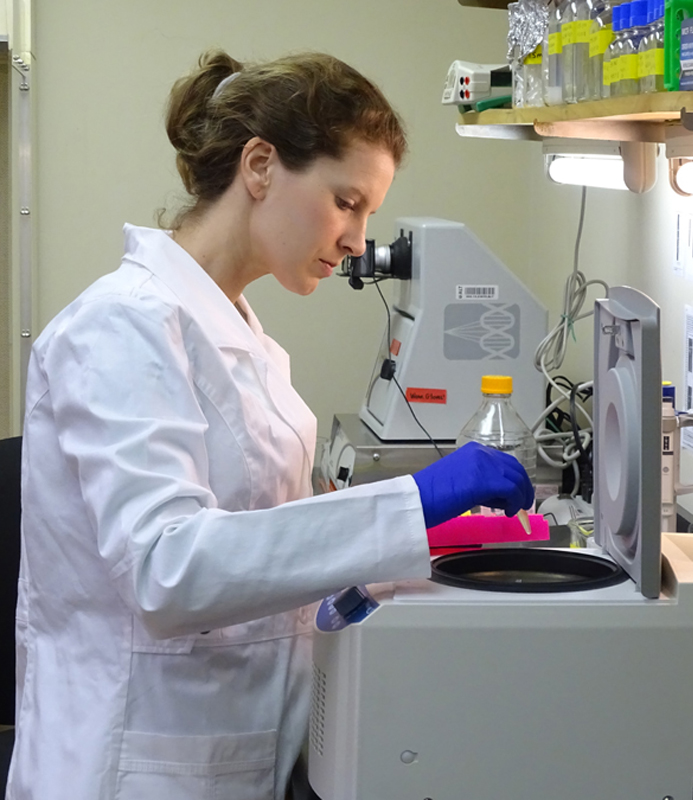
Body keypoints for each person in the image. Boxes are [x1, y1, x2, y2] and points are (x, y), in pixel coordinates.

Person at [7, 50, 533, 800]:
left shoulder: (241, 335)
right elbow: (170, 568)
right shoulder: (121, 328)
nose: (357, 240)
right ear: (260, 166)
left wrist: (399, 547)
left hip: (239, 739)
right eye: (347, 201)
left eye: (368, 214)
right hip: (136, 765)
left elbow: (257, 535)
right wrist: (406, 505)